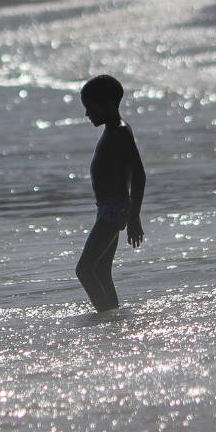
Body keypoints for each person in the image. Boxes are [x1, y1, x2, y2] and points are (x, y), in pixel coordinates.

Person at [74, 76, 146, 313]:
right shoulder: (111, 131)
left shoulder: (121, 132)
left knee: (84, 269)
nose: (87, 114)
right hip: (107, 208)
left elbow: (139, 175)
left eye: (90, 107)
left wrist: (134, 217)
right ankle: (113, 315)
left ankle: (104, 314)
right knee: (102, 269)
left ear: (108, 105)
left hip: (115, 209)